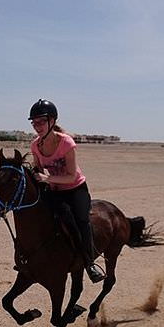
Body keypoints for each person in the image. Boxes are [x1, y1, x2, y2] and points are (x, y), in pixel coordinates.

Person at [28, 99, 106, 283]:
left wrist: (47, 179)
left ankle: (89, 263)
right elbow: (38, 167)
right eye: (34, 123)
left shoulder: (66, 143)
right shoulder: (35, 145)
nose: (37, 126)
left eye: (41, 121)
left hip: (75, 189)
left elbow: (71, 176)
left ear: (52, 121)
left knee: (81, 221)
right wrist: (32, 173)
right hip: (55, 190)